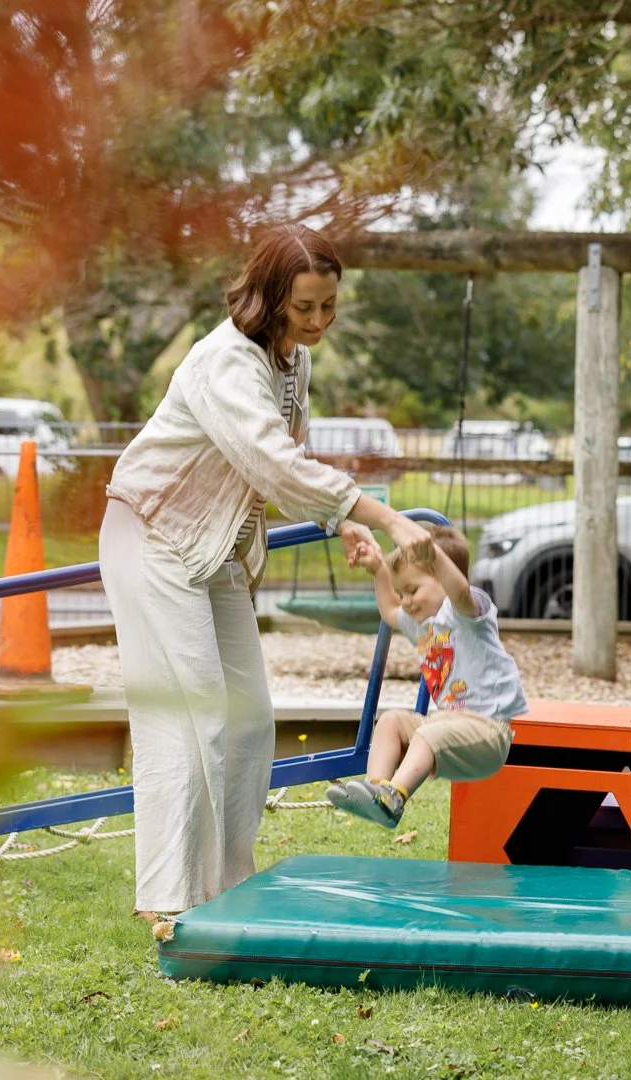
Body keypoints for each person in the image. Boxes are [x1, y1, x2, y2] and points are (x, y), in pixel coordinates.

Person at [98, 223, 431, 920]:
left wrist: (337, 520)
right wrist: (381, 516)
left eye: (329, 306)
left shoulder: (291, 364)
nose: (318, 322)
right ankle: (169, 899)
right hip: (152, 539)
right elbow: (272, 463)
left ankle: (229, 884)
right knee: (195, 722)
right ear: (270, 297)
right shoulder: (225, 363)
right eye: (304, 307)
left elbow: (287, 458)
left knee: (248, 720)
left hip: (210, 547)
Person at [328, 526, 527, 827]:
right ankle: (376, 792)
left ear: (443, 579)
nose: (406, 600)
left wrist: (433, 552)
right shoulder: (422, 624)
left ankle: (394, 797)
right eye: (402, 591)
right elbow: (390, 611)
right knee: (392, 721)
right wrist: (379, 569)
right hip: (447, 730)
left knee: (427, 732)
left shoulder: (464, 612)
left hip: (487, 734)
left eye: (413, 589)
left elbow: (458, 589)